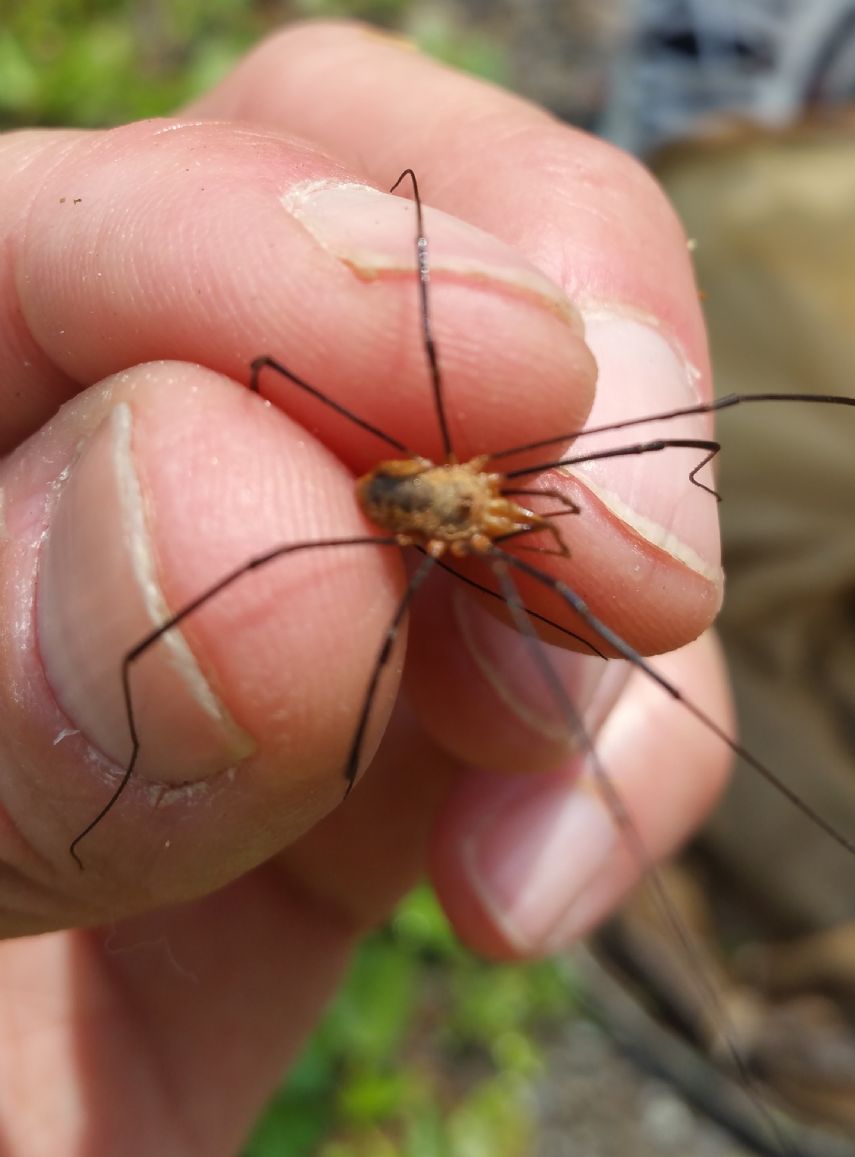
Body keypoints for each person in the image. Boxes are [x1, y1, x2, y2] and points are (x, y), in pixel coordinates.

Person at [0, 22, 732, 1155]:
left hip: (438, 498)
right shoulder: (450, 496)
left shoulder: (495, 508)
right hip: (383, 503)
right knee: (282, 548)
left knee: (597, 626)